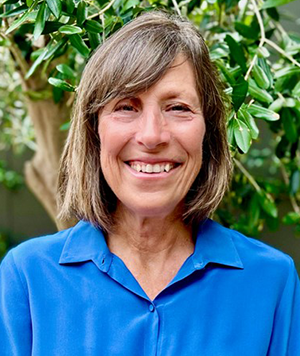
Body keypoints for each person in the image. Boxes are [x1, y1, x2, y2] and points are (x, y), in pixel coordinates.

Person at [0, 10, 299, 356]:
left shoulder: (271, 282)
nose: (152, 135)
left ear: (208, 132)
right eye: (127, 106)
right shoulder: (27, 278)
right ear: (95, 132)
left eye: (177, 108)